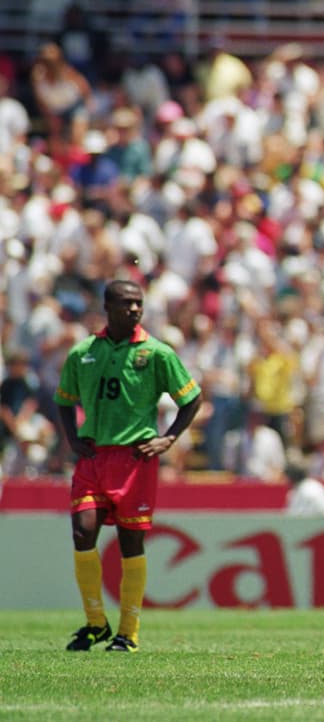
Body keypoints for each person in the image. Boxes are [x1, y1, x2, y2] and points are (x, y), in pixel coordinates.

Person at [55, 279, 202, 652]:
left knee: (130, 541)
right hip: (93, 457)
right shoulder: (83, 353)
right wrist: (72, 437)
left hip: (135, 459)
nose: (134, 309)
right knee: (81, 531)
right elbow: (63, 399)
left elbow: (192, 398)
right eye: (126, 303)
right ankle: (95, 623)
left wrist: (168, 438)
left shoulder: (156, 353)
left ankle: (128, 633)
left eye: (138, 303)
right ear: (108, 307)